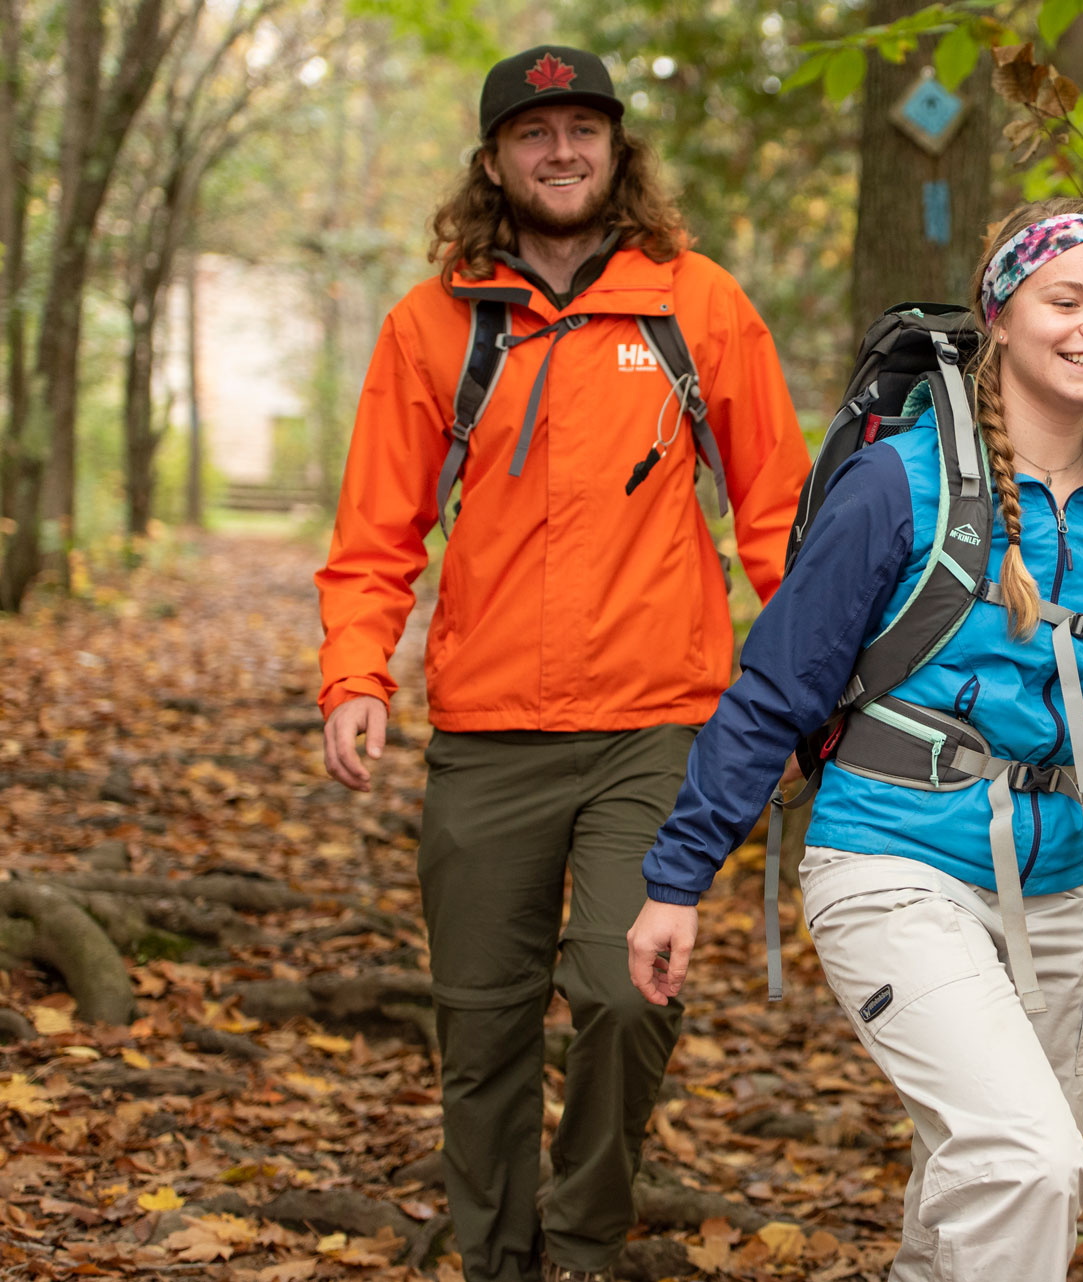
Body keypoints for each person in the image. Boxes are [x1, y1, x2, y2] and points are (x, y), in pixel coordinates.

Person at [625, 197, 1083, 1280]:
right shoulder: (896, 482)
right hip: (890, 865)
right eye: (1067, 299)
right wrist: (678, 878)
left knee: (976, 1196)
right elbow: (777, 688)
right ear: (999, 313)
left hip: (1053, 896)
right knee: (1028, 1163)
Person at [313, 45, 811, 1282]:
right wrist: (355, 675)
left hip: (657, 726)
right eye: (534, 133)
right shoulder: (433, 323)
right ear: (494, 160)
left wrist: (814, 695)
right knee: (480, 1028)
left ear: (617, 148)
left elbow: (779, 520)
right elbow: (378, 529)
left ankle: (587, 1243)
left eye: (585, 127)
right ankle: (498, 1256)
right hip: (486, 738)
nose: (562, 150)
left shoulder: (698, 305)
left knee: (626, 993)